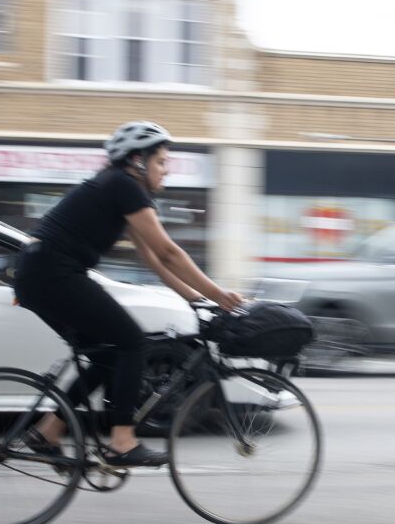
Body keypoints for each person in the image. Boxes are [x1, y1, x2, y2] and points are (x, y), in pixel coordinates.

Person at [13, 120, 244, 468]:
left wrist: (197, 299)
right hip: (53, 273)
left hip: (40, 273)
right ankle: (122, 442)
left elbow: (153, 259)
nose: (166, 170)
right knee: (132, 341)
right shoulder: (123, 185)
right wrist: (218, 294)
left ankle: (47, 432)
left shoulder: (117, 187)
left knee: (107, 354)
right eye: (161, 161)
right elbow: (168, 252)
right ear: (138, 161)